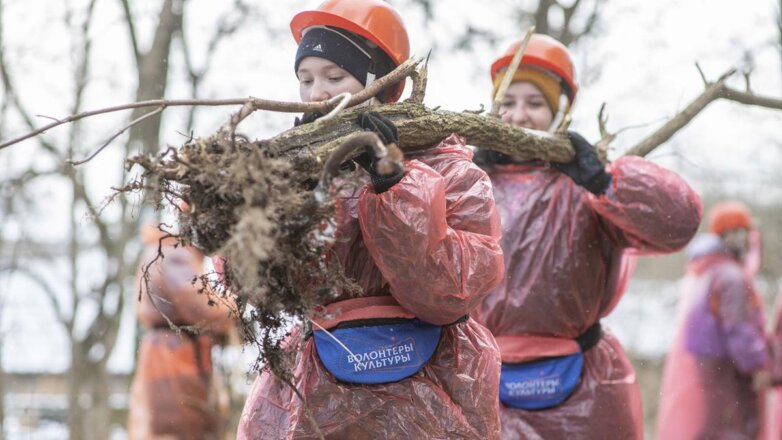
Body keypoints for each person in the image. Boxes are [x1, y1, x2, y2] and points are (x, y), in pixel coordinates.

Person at [236, 1, 505, 439]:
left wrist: (395, 184)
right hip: (318, 381)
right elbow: (260, 286)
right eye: (305, 79)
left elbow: (450, 291)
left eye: (334, 76)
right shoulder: (293, 174)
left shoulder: (450, 169)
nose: (316, 93)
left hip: (434, 376)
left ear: (381, 84)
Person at [472, 34, 703, 439]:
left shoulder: (588, 183)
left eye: (535, 103)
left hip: (584, 387)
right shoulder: (469, 182)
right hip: (485, 378)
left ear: (560, 111)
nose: (519, 116)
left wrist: (608, 182)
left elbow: (680, 221)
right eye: (507, 103)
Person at [657, 201, 768, 440]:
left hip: (711, 366)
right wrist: (758, 364)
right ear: (735, 235)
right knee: (735, 429)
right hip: (729, 369)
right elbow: (738, 329)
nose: (750, 241)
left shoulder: (709, 270)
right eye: (746, 233)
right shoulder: (731, 276)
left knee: (712, 426)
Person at [128, 223, 235, 440]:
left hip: (167, 351)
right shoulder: (174, 252)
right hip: (173, 355)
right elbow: (200, 306)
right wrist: (236, 308)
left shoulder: (165, 250)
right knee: (178, 425)